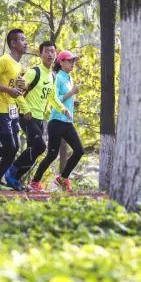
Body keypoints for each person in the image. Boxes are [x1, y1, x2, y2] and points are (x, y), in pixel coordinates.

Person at [2, 41, 71, 190]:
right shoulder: (34, 72)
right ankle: (12, 172)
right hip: (27, 116)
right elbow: (17, 92)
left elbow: (52, 97)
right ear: (40, 54)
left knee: (34, 150)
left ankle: (15, 180)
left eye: (53, 51)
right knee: (40, 146)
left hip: (39, 118)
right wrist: (25, 109)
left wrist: (63, 109)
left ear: (56, 55)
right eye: (47, 51)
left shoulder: (52, 75)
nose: (50, 54)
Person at [30, 50, 84, 192]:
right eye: (70, 60)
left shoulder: (69, 78)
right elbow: (54, 100)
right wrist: (71, 93)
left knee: (79, 150)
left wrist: (73, 101)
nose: (73, 63)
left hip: (67, 122)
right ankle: (35, 181)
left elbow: (65, 98)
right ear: (61, 62)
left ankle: (63, 177)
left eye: (74, 61)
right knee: (52, 154)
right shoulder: (57, 77)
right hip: (56, 121)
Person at [0, 29, 30, 190]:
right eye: (22, 40)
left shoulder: (19, 65)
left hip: (12, 110)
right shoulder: (4, 60)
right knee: (10, 147)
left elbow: (15, 88)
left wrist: (21, 87)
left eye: (26, 39)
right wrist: (9, 90)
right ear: (13, 43)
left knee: (14, 148)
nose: (26, 42)